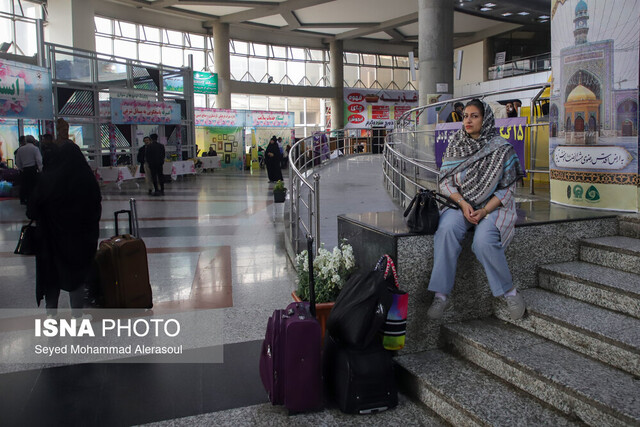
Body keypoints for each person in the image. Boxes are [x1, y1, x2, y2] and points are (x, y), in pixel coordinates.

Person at [426, 99, 526, 321]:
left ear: (486, 119)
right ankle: (441, 296)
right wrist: (462, 203)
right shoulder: (456, 143)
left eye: (474, 116)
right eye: (466, 116)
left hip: (492, 207)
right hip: (462, 203)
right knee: (447, 230)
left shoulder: (501, 148)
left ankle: (510, 292)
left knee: (483, 242)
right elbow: (445, 181)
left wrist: (483, 211)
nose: (468, 121)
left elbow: (507, 189)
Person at [27, 118, 102, 318]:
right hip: (78, 237)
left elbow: (31, 210)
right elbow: (96, 204)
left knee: (51, 274)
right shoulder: (85, 178)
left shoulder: (48, 178)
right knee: (76, 272)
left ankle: (51, 314)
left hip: (49, 239)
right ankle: (77, 314)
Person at [15, 135, 43, 205]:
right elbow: (39, 160)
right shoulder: (35, 149)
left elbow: (17, 161)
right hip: (33, 169)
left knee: (24, 185)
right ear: (33, 140)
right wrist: (40, 169)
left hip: (25, 169)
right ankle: (32, 199)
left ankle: (24, 199)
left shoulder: (20, 149)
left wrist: (21, 168)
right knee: (33, 185)